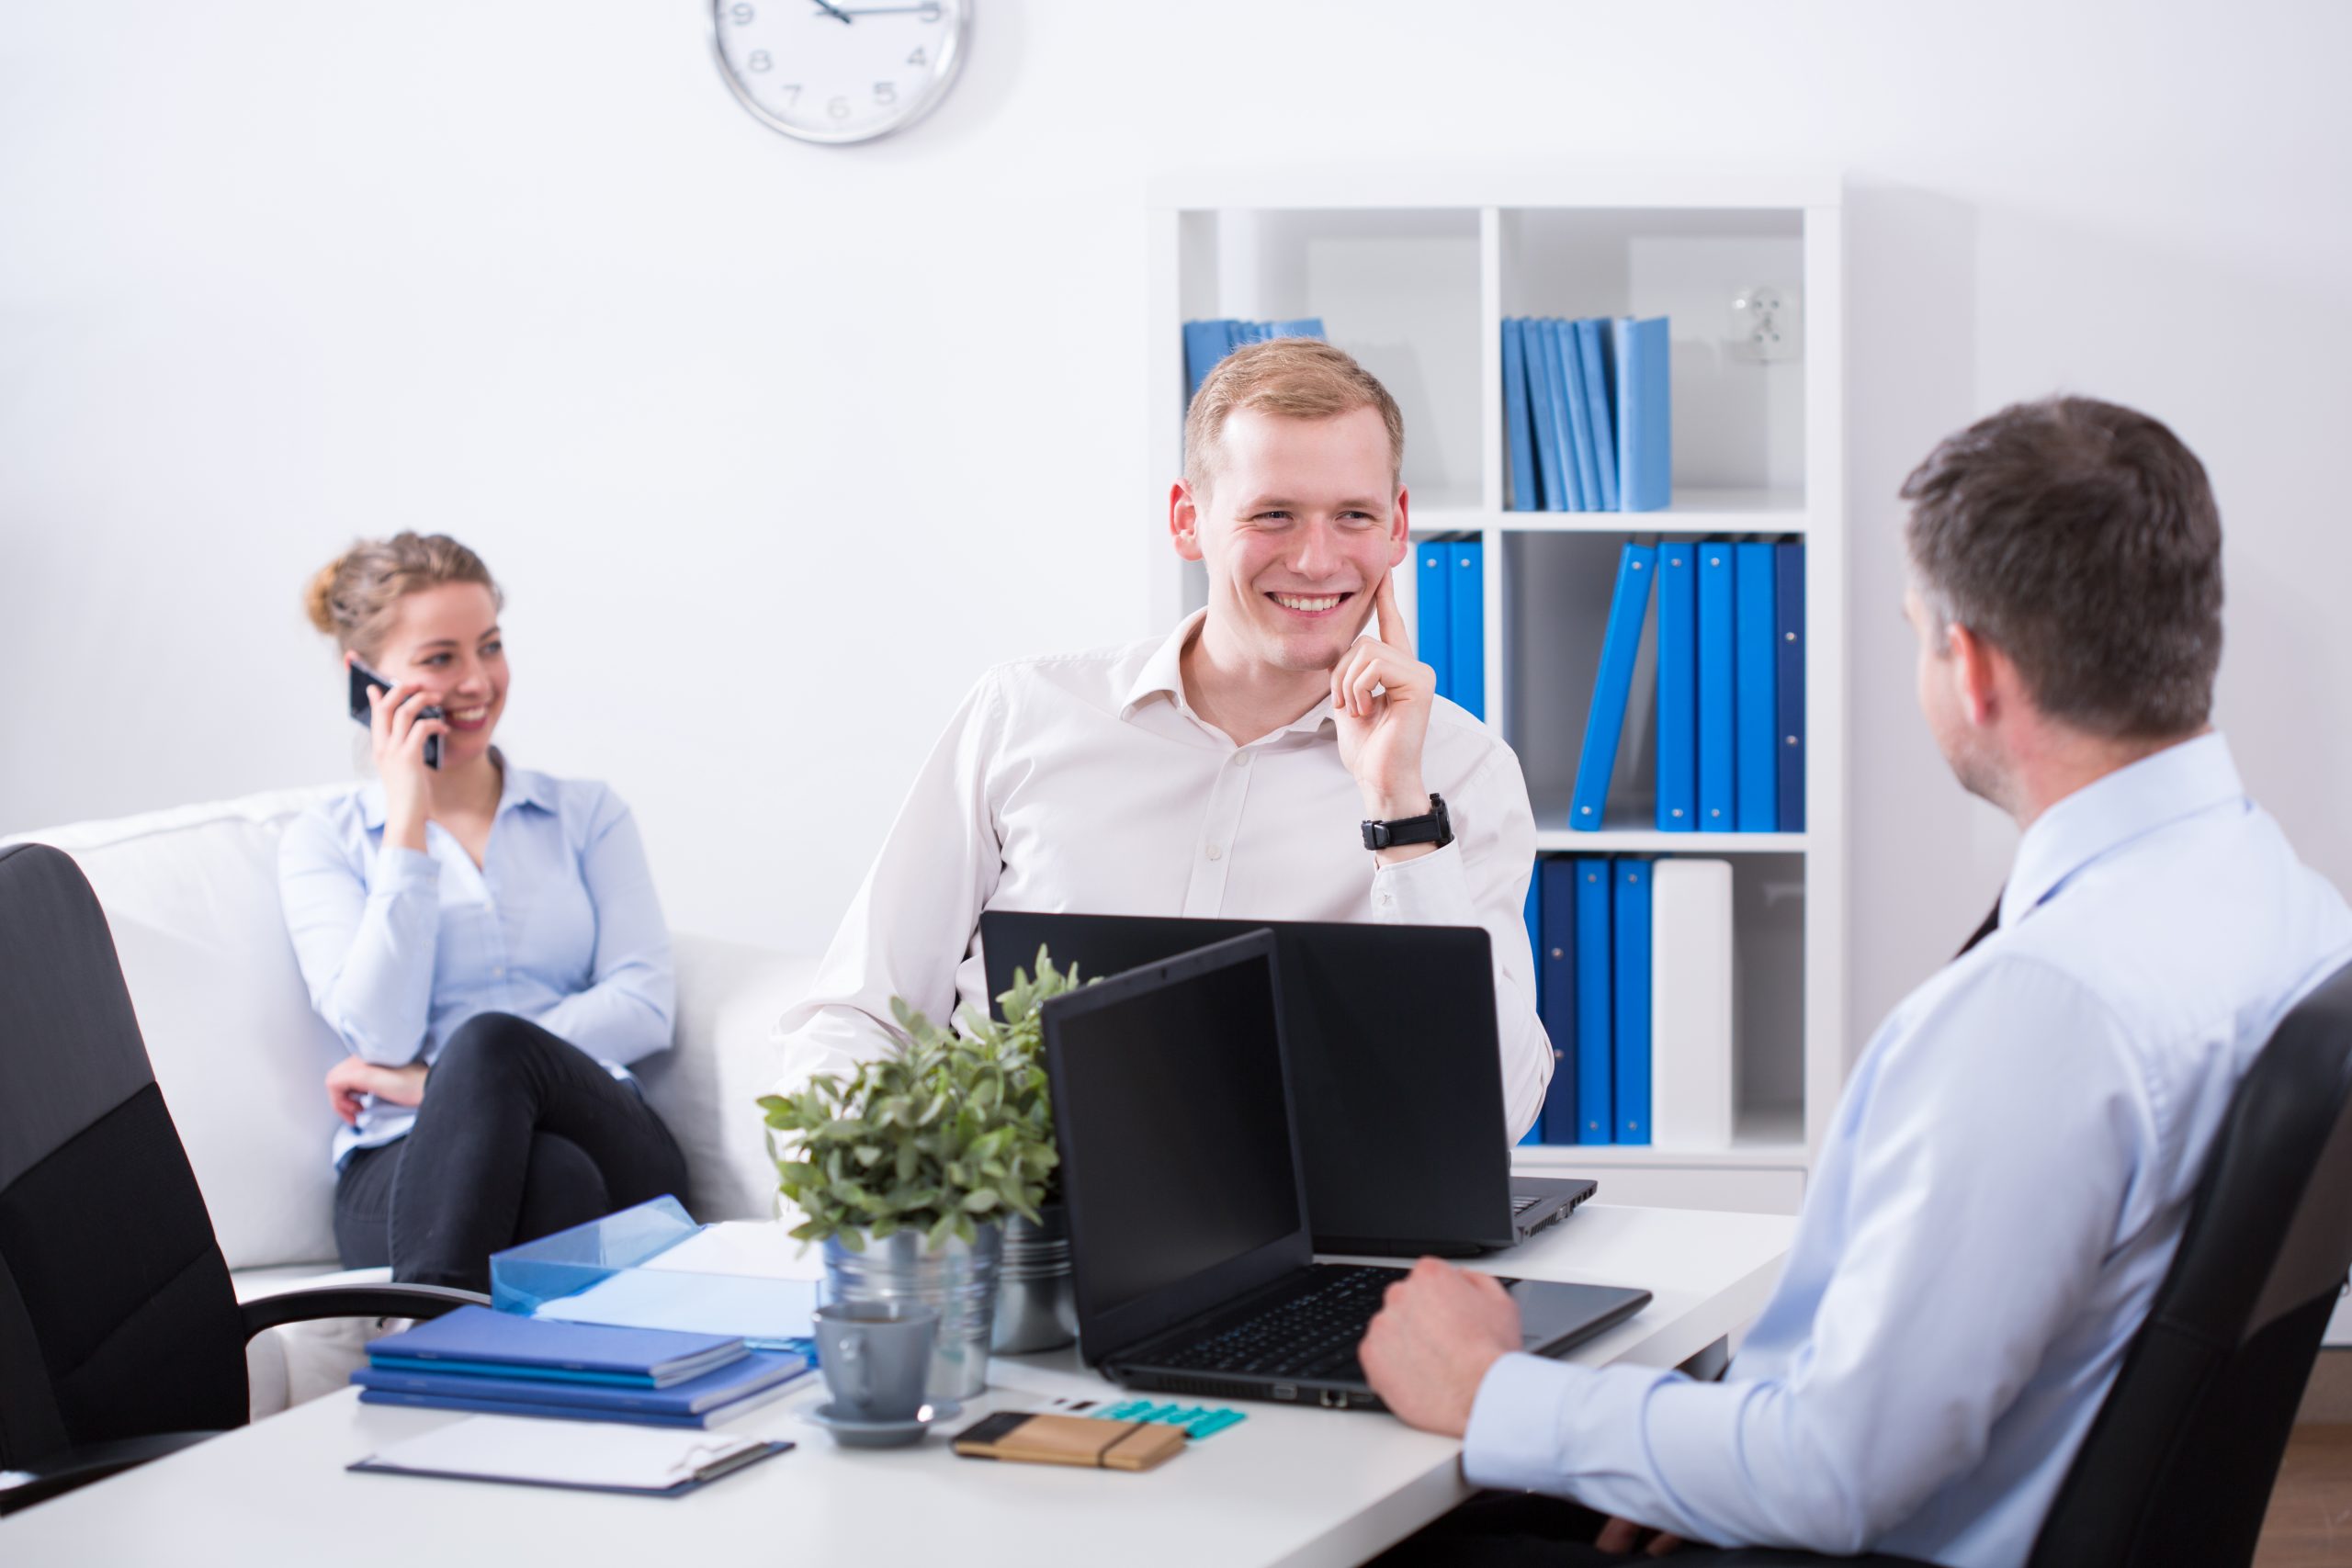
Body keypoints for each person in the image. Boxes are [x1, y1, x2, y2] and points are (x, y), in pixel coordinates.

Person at [1360, 396, 2352, 1567]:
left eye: (1916, 631)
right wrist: (1672, 1453)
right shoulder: (2287, 905)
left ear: (1969, 667)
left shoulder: (2046, 1011)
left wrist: (1489, 1388)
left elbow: (1831, 1474)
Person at [778, 338, 1550, 1137]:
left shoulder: (1461, 771)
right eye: (1273, 514)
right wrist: (870, 1190)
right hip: (1012, 1203)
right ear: (1188, 519)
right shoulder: (1024, 715)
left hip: (1305, 1212)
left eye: (1353, 515)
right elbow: (859, 1014)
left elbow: (1496, 1110)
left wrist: (1400, 813)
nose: (1317, 560)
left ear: (1397, 527)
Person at [279, 532, 686, 1293]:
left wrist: (445, 1076)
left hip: (605, 1132)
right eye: (440, 658)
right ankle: (463, 1347)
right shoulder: (327, 840)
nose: (477, 681)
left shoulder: (586, 814)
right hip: (406, 1163)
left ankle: (422, 1339)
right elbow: (379, 1035)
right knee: (556, 1179)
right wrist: (407, 822)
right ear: (366, 680)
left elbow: (643, 1006)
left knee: (492, 1043)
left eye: (490, 647)